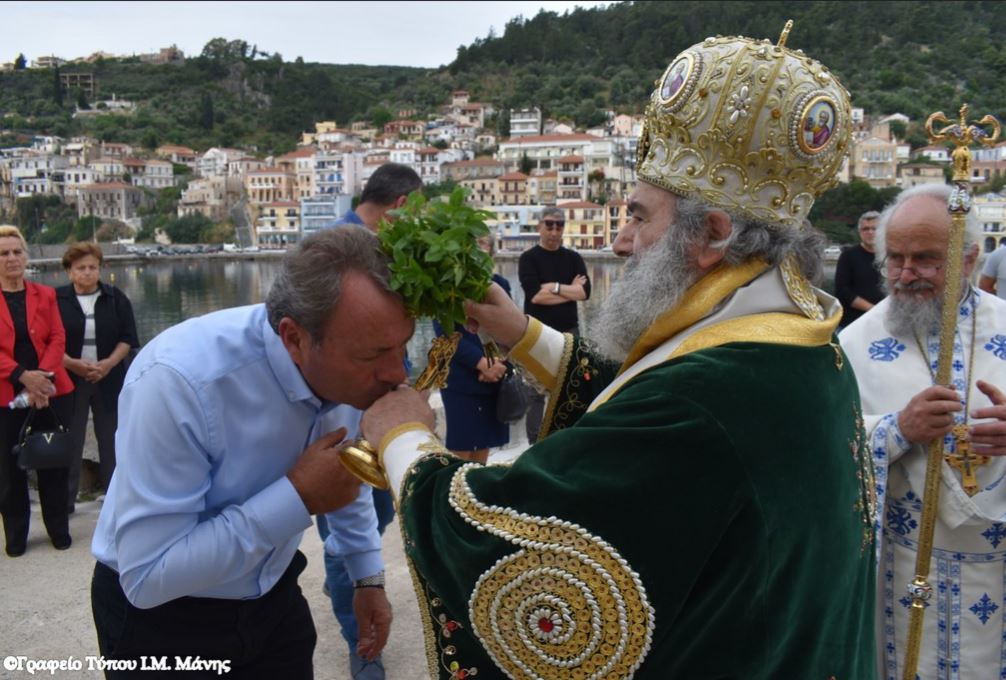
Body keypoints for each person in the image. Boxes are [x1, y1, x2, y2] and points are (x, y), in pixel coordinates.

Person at [332, 31, 877, 678]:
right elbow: (646, 402)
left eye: (640, 217)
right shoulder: (795, 335)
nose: (621, 243)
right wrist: (519, 330)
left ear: (711, 234)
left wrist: (404, 442)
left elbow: (511, 543)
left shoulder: (708, 400)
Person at [90, 227, 405, 678]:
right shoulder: (181, 380)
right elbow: (147, 577)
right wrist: (298, 498)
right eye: (374, 355)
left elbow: (342, 473)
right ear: (293, 338)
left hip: (275, 600)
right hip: (163, 624)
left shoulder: (346, 359)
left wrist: (367, 576)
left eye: (401, 346)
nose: (395, 375)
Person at [840, 183, 1006, 679]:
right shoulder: (854, 343)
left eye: (927, 260)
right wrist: (896, 429)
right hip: (901, 563)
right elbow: (824, 444)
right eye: (896, 259)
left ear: (971, 258)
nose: (907, 274)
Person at [320, 160, 421, 680]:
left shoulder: (382, 251)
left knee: (375, 513)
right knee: (348, 529)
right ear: (400, 206)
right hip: (345, 411)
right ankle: (363, 651)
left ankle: (342, 575)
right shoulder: (335, 254)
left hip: (378, 403)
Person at [0, 225, 75, 557]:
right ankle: (16, 535)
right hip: (6, 395)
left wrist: (42, 378)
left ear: (26, 256)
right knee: (8, 470)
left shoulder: (44, 294)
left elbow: (57, 337)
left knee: (53, 462)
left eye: (17, 251)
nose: (12, 258)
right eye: (4, 253)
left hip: (50, 391)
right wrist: (22, 376)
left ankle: (58, 529)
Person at [56, 242, 139, 512]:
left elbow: (128, 338)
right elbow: (48, 341)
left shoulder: (116, 298)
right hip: (70, 379)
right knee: (71, 439)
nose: (88, 273)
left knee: (111, 440)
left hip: (109, 378)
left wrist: (108, 364)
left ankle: (115, 501)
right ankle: (65, 503)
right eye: (81, 268)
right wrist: (72, 364)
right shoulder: (55, 300)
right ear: (69, 271)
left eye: (93, 267)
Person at [432, 235, 511, 464]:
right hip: (460, 377)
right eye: (475, 242)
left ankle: (474, 494)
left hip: (492, 375)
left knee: (484, 444)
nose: (480, 246)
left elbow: (508, 328)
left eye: (485, 242)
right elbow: (445, 334)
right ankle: (455, 495)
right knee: (462, 445)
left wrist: (496, 364)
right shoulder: (449, 288)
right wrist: (480, 363)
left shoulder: (500, 285)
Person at [517, 206, 590, 442]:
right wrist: (571, 290)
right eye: (549, 225)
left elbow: (585, 293)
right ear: (539, 226)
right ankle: (535, 446)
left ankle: (565, 442)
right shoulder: (528, 259)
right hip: (536, 334)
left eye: (559, 226)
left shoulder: (574, 258)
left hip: (570, 333)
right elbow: (536, 297)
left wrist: (555, 287)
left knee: (571, 390)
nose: (554, 230)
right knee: (534, 395)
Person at [834, 210, 884, 327]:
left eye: (874, 228)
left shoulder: (891, 256)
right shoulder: (848, 256)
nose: (870, 232)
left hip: (884, 322)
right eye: (865, 229)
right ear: (859, 232)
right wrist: (873, 310)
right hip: (853, 323)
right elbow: (842, 291)